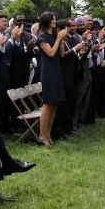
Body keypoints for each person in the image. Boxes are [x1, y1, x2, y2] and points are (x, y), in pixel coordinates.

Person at [36, 11, 66, 146]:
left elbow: (61, 54)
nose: (55, 21)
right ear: (47, 21)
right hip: (48, 72)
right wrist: (59, 38)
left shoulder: (53, 35)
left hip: (56, 71)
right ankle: (41, 136)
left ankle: (48, 134)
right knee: (48, 104)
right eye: (53, 19)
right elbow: (50, 53)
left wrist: (61, 41)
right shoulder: (42, 36)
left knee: (55, 104)